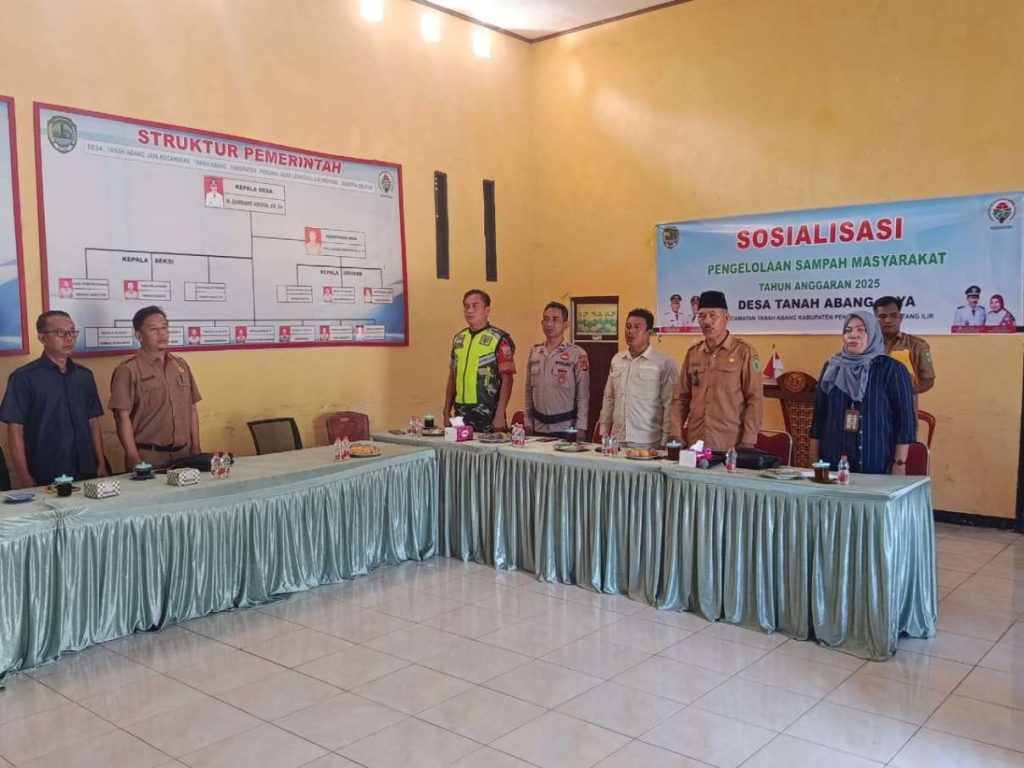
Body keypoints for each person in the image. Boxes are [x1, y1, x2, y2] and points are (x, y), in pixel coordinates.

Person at [0, 311, 107, 488]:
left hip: (87, 469)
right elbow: (15, 430)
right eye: (61, 333)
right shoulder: (23, 378)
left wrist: (101, 462)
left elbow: (93, 421)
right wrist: (23, 475)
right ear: (42, 338)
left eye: (72, 332)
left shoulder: (84, 376)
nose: (69, 338)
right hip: (46, 472)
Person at [809, 310, 915, 474]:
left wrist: (899, 464)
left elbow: (904, 421)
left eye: (861, 330)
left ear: (873, 334)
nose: (853, 335)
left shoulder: (892, 370)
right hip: (833, 461)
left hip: (876, 462)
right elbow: (819, 415)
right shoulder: (832, 366)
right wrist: (813, 456)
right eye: (848, 330)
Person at [668, 291, 763, 451]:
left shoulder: (744, 352)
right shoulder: (693, 353)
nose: (707, 322)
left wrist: (748, 440)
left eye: (713, 316)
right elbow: (681, 398)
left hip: (731, 444)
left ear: (727, 317)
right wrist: (675, 432)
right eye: (702, 316)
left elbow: (755, 398)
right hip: (697, 442)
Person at [109, 306, 202, 469]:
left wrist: (196, 447)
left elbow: (192, 409)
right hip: (148, 458)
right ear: (139, 336)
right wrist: (133, 456)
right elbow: (121, 417)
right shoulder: (128, 370)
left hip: (184, 455)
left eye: (164, 328)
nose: (162, 334)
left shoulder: (181, 366)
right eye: (154, 330)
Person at [597, 308, 678, 448]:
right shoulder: (617, 359)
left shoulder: (664, 362)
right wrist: (604, 430)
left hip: (648, 441)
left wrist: (666, 439)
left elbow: (669, 404)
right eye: (628, 327)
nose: (631, 331)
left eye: (637, 327)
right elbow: (609, 397)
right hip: (617, 439)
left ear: (649, 333)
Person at [443, 289, 516, 432]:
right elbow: (452, 376)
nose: (470, 310)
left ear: (487, 310)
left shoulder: (499, 339)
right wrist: (446, 410)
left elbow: (508, 379)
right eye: (466, 306)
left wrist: (500, 414)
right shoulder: (459, 339)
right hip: (460, 415)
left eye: (475, 306)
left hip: (488, 414)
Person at [524, 301, 590, 438]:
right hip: (538, 426)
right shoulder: (535, 352)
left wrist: (581, 426)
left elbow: (583, 395)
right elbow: (529, 391)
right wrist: (527, 420)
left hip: (566, 427)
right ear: (542, 323)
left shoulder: (577, 354)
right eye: (546, 319)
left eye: (555, 319)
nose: (549, 324)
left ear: (566, 325)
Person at [873, 296, 935, 396]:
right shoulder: (865, 344)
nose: (888, 320)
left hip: (904, 403)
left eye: (893, 315)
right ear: (875, 320)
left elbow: (928, 380)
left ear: (901, 318)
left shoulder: (917, 345)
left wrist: (906, 391)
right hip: (873, 403)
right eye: (882, 316)